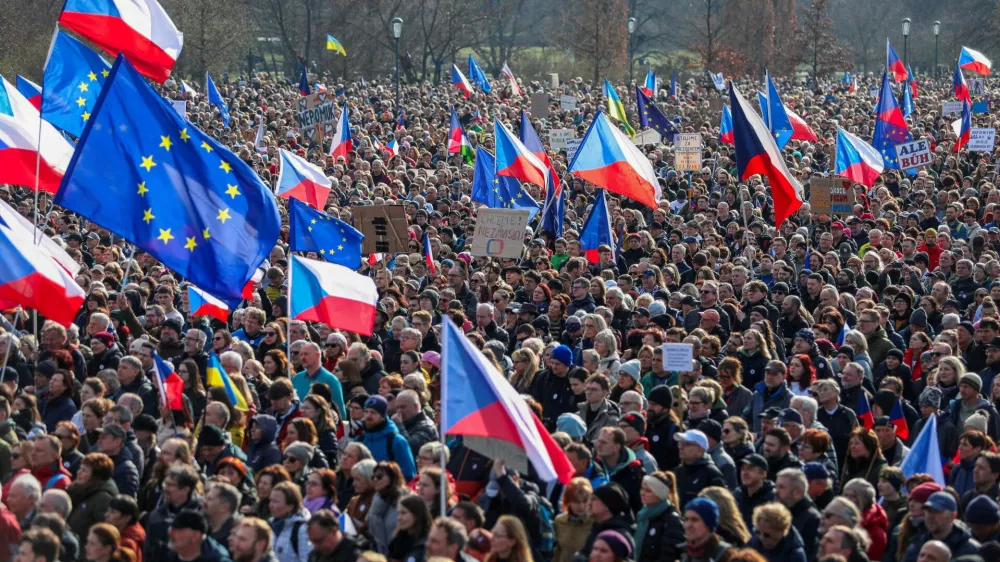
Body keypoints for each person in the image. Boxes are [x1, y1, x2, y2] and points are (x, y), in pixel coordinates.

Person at [359, 396, 417, 481]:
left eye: (373, 412)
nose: (368, 416)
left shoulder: (397, 441)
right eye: (366, 411)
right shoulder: (359, 440)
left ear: (382, 416)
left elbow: (409, 476)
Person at [66, 452, 119, 540]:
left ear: (96, 476)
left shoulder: (103, 498)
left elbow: (102, 533)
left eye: (84, 470)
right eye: (80, 469)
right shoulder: (79, 490)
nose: (79, 472)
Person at [634, 472, 684, 562]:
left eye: (648, 491)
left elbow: (670, 555)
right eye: (642, 489)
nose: (642, 493)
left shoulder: (671, 520)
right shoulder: (643, 515)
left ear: (660, 493)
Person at [674, 430, 726, 507]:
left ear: (700, 449)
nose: (681, 447)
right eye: (680, 443)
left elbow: (720, 506)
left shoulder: (712, 474)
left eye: (686, 444)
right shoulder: (678, 471)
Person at [681, 497, 735, 562]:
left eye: (694, 520)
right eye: (686, 519)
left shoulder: (725, 555)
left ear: (709, 524)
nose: (688, 525)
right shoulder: (681, 553)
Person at [268, 481, 312, 562]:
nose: (271, 505)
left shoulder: (302, 529)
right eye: (270, 500)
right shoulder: (271, 525)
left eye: (276, 502)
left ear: (290, 506)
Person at [166, 509, 232, 562]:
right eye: (171, 528)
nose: (170, 533)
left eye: (178, 530)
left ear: (195, 536)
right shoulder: (166, 554)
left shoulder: (216, 559)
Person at [388, 495, 432, 562]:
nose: (398, 518)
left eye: (403, 513)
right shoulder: (398, 540)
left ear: (417, 514)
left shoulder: (428, 542)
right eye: (398, 513)